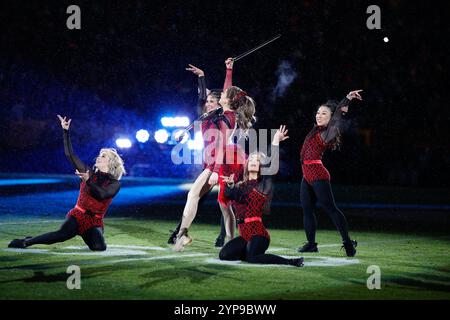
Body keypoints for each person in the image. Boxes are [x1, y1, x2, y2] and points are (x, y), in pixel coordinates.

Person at [8, 115, 126, 251]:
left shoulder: (115, 183)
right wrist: (65, 131)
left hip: (95, 221)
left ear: (111, 162)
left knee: (99, 247)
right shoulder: (89, 172)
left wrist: (88, 181)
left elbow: (102, 195)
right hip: (78, 215)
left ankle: (88, 235)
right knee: (62, 235)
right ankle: (26, 242)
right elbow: (70, 155)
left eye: (103, 156)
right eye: (99, 155)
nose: (99, 157)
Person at [174, 60, 256, 252]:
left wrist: (215, 171)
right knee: (223, 205)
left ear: (228, 100)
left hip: (220, 162)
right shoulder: (222, 112)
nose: (221, 94)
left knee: (205, 198)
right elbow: (220, 92)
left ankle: (184, 235)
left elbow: (223, 145)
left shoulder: (229, 117)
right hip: (212, 162)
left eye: (224, 95)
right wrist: (228, 69)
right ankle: (225, 239)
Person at [219, 125, 304, 267]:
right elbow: (229, 196)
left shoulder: (263, 184)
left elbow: (271, 165)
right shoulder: (240, 185)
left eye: (257, 160)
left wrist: (276, 141)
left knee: (252, 258)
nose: (253, 161)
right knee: (224, 255)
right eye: (251, 159)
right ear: (246, 164)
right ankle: (249, 251)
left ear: (261, 167)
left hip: (259, 234)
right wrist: (230, 185)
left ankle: (291, 261)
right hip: (244, 235)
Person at [298, 90, 362, 257]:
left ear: (331, 117)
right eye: (318, 112)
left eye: (324, 113)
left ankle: (348, 243)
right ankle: (311, 244)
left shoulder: (328, 132)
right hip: (306, 175)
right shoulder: (316, 130)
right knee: (307, 210)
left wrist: (347, 99)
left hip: (318, 174)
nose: (319, 115)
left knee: (331, 209)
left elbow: (338, 117)